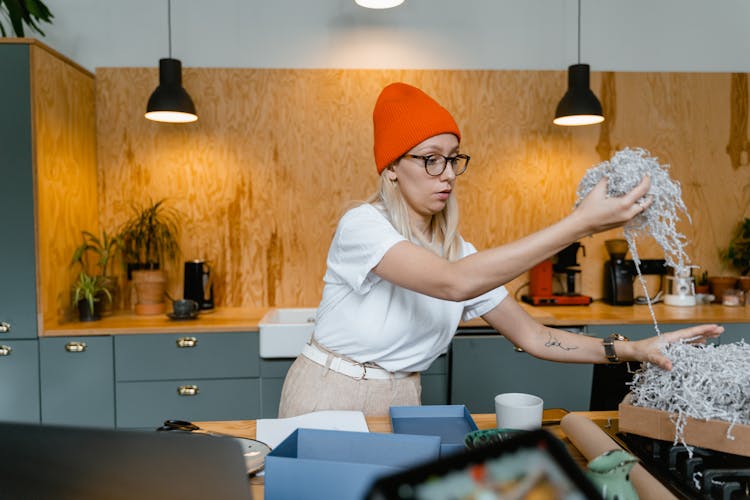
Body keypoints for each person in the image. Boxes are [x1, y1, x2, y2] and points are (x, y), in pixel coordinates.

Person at [277, 82, 723, 417]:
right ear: (392, 167)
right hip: (330, 393)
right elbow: (453, 284)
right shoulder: (363, 225)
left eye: (453, 157)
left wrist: (634, 349)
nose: (447, 173)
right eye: (430, 158)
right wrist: (578, 225)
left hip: (404, 397)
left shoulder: (458, 251)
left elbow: (534, 337)